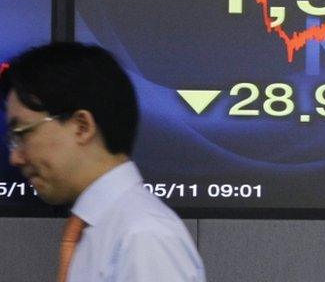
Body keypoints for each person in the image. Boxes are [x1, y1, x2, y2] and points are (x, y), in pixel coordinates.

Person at [1, 42, 206, 281]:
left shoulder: (143, 236)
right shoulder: (102, 231)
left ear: (82, 127)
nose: (14, 157)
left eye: (23, 133)